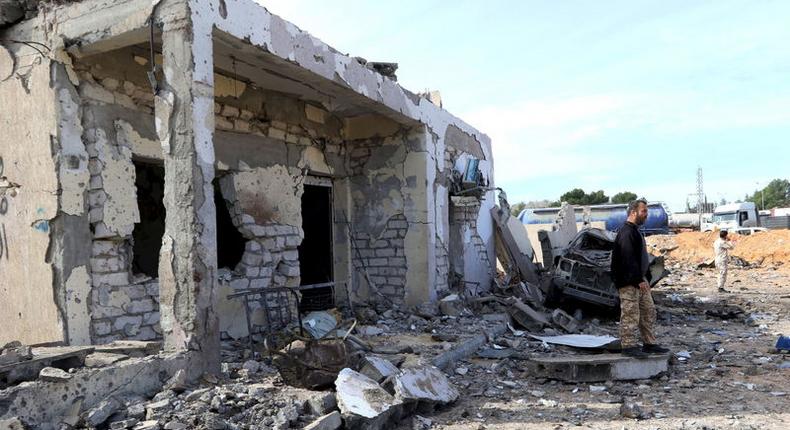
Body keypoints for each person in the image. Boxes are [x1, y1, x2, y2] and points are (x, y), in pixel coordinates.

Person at [611, 199, 670, 358]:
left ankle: (649, 343)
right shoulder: (626, 233)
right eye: (644, 211)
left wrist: (645, 278)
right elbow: (628, 259)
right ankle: (628, 346)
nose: (646, 215)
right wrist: (638, 279)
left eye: (646, 211)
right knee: (630, 314)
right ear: (633, 212)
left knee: (648, 311)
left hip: (639, 281)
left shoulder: (635, 231)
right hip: (629, 282)